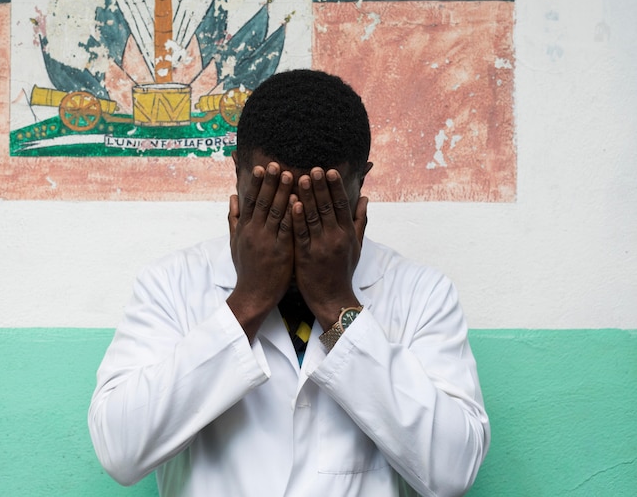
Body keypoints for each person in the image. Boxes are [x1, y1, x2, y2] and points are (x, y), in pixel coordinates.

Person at [88, 69, 490, 496]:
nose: (296, 224)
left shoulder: (421, 293)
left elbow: (452, 471)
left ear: (361, 182)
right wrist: (247, 302)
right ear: (237, 171)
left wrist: (338, 306)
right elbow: (120, 451)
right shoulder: (171, 284)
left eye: (322, 205)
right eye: (269, 202)